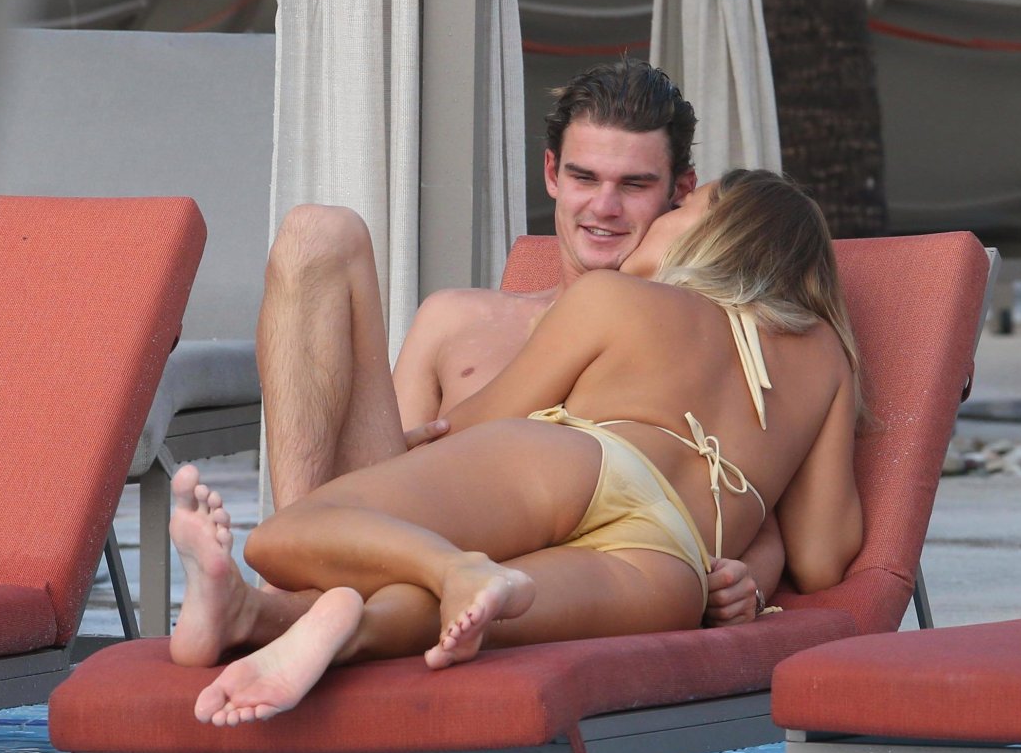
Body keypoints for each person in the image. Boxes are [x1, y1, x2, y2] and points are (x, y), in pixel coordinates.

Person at [173, 169, 863, 727]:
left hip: (584, 463)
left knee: (286, 536)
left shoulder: (616, 298)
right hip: (673, 563)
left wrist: (412, 453)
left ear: (720, 232)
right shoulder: (827, 358)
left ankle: (453, 568)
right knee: (475, 617)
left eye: (682, 208)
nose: (657, 220)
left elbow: (478, 425)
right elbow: (823, 558)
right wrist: (757, 545)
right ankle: (278, 618)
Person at [250, 57, 781, 630]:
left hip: (540, 577)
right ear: (552, 173)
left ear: (681, 191)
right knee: (317, 233)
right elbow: (381, 472)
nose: (604, 208)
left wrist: (750, 580)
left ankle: (287, 607)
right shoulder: (455, 318)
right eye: (584, 178)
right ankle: (288, 571)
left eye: (633, 185)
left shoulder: (697, 339)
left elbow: (757, 497)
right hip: (401, 533)